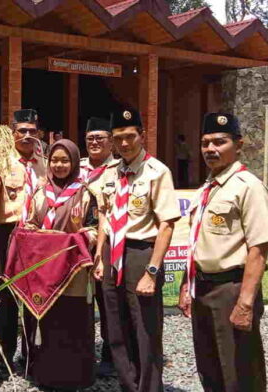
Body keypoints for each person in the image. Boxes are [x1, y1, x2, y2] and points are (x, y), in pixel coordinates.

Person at [178, 113, 268, 392]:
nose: (211, 149)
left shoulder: (248, 187)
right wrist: (187, 284)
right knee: (210, 367)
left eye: (220, 142)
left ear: (238, 144)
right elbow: (198, 242)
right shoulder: (208, 187)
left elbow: (259, 248)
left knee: (240, 372)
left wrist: (245, 303)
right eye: (206, 143)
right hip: (204, 288)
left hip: (231, 289)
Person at [93, 108, 180, 392]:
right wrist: (101, 258)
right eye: (118, 138)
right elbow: (105, 215)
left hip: (142, 253)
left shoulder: (157, 172)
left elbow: (166, 225)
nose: (125, 143)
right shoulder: (110, 172)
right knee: (115, 328)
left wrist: (152, 272)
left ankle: (149, 387)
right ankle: (128, 384)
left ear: (142, 136)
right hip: (112, 254)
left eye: (130, 136)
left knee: (145, 330)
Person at [22, 139, 97, 390]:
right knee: (48, 323)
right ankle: (47, 375)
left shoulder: (85, 193)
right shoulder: (40, 193)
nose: (59, 165)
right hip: (44, 273)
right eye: (55, 160)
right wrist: (38, 236)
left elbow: (95, 230)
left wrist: (67, 240)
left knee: (73, 322)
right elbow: (29, 225)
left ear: (74, 162)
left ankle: (76, 377)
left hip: (74, 272)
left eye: (65, 160)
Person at [0, 109, 47, 377]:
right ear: (13, 133)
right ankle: (4, 359)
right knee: (4, 301)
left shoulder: (46, 163)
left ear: (38, 134)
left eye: (32, 131)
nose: (28, 136)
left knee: (35, 297)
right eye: (22, 131)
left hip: (38, 237)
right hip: (8, 234)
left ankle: (32, 357)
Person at [81, 116, 118, 377]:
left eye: (100, 138)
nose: (94, 143)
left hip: (107, 243)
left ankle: (110, 353)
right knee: (79, 301)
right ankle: (81, 351)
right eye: (90, 138)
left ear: (111, 142)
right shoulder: (76, 166)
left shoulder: (118, 168)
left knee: (107, 301)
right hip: (78, 243)